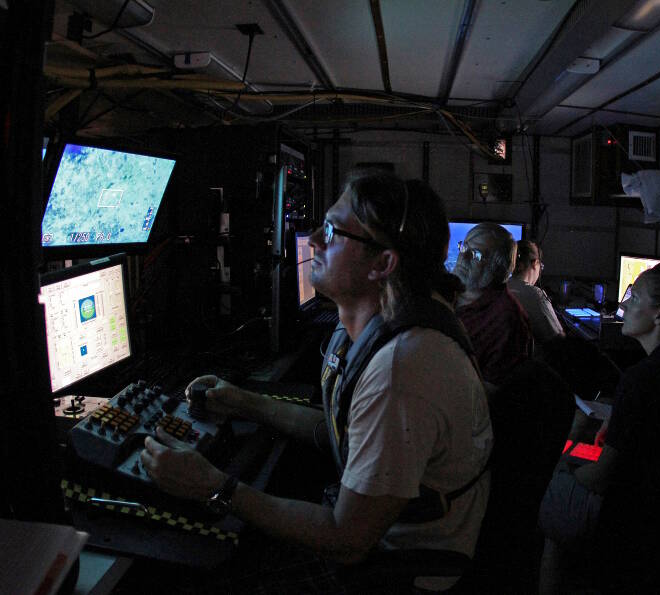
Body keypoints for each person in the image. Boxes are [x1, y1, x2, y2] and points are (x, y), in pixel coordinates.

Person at [140, 171, 493, 593]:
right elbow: (341, 432)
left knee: (203, 576)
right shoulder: (377, 325)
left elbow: (346, 540)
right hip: (373, 530)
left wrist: (214, 487)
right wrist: (245, 401)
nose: (314, 239)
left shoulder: (403, 368)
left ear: (383, 264)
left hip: (395, 569)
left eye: (332, 229)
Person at [538, 264, 660, 594]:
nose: (622, 305)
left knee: (556, 480)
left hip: (642, 518)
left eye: (633, 296)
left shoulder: (643, 380)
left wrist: (567, 460)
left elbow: (601, 478)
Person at [453, 223, 532, 387]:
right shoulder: (446, 293)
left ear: (497, 268)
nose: (463, 257)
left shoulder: (508, 320)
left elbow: (493, 392)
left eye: (475, 255)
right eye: (463, 247)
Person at [507, 239, 564, 350]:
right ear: (535, 264)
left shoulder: (501, 289)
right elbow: (558, 340)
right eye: (540, 266)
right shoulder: (535, 295)